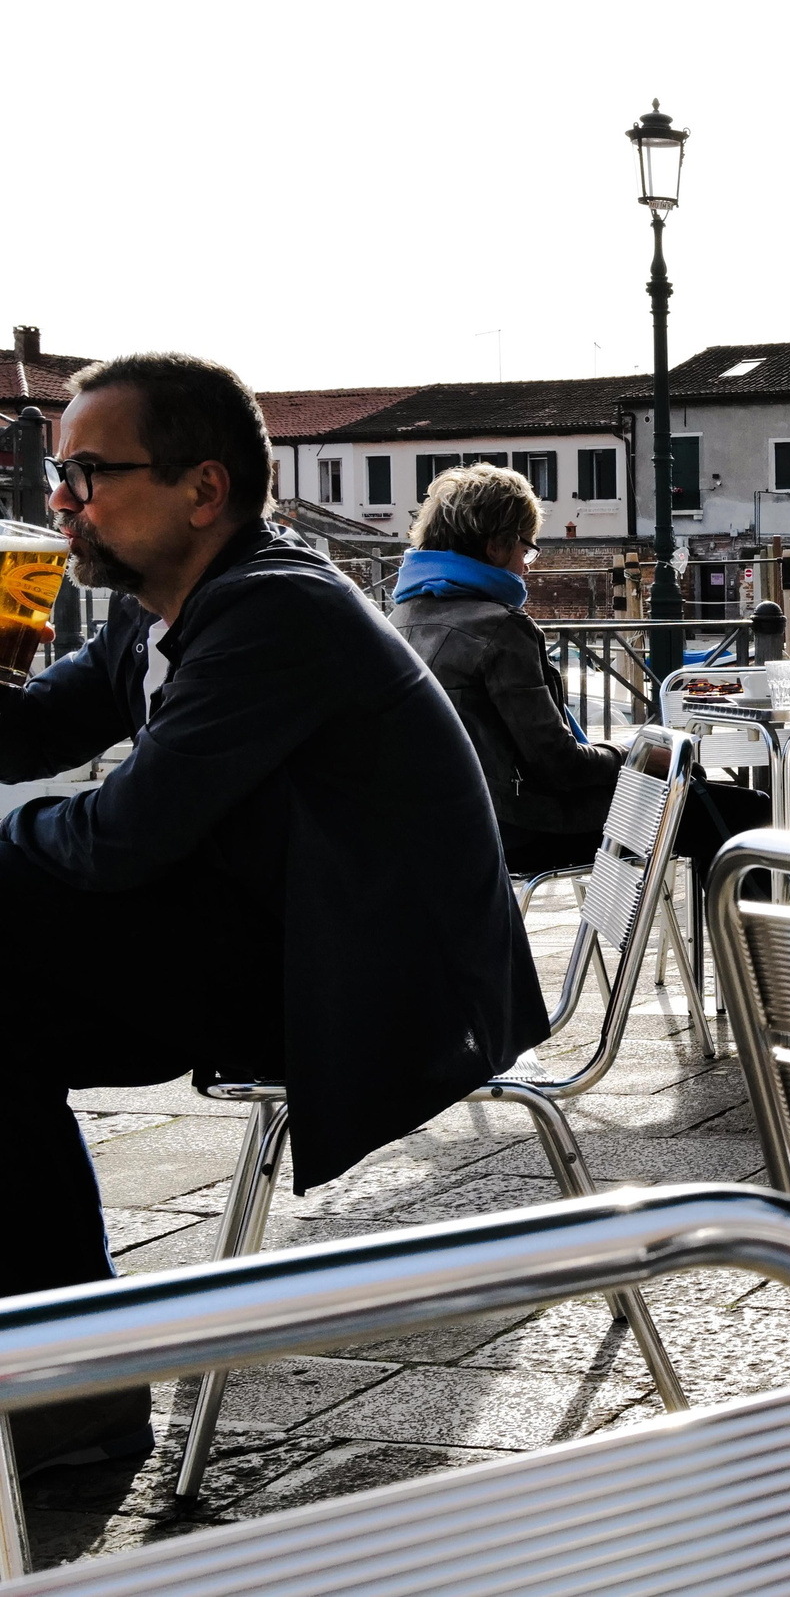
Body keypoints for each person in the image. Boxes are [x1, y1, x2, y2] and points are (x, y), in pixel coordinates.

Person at [0, 355, 548, 1469]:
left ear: (203, 490)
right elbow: (29, 732)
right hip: (284, 935)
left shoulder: (272, 610)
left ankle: (72, 1396)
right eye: (62, 474)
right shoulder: (162, 614)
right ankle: (65, 1392)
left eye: (91, 473)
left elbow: (119, 839)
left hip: (370, 984)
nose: (62, 502)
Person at [389, 463, 767, 879]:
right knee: (740, 811)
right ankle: (758, 942)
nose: (527, 567)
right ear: (496, 546)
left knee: (695, 793)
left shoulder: (400, 618)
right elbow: (560, 765)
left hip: (457, 830)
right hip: (529, 828)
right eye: (525, 549)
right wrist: (634, 754)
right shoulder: (500, 628)